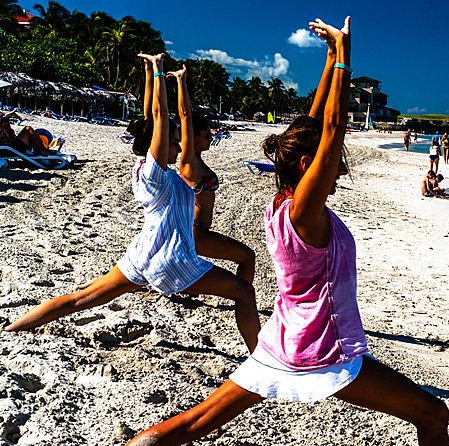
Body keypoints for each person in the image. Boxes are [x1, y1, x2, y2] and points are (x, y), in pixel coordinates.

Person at [74, 17, 449, 446]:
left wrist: (331, 62)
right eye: (332, 162)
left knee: (196, 422)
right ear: (310, 167)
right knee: (432, 414)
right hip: (321, 352)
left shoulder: (282, 204)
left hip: (281, 341)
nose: (341, 167)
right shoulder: (307, 214)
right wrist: (347, 54)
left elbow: (311, 130)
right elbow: (328, 132)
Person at [4, 52, 260, 352]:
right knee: (243, 292)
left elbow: (154, 117)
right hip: (171, 258)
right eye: (173, 142)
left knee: (81, 300)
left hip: (144, 253)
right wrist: (162, 71)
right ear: (158, 145)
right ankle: (260, 357)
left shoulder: (144, 169)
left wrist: (152, 71)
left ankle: (11, 328)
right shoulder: (155, 173)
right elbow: (161, 118)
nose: (177, 147)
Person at [173, 68, 256, 286]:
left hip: (198, 229)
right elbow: (185, 116)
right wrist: (181, 81)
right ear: (192, 137)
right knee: (247, 257)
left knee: (192, 285)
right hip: (195, 231)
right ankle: (243, 300)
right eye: (207, 135)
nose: (211, 138)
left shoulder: (197, 159)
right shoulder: (188, 160)